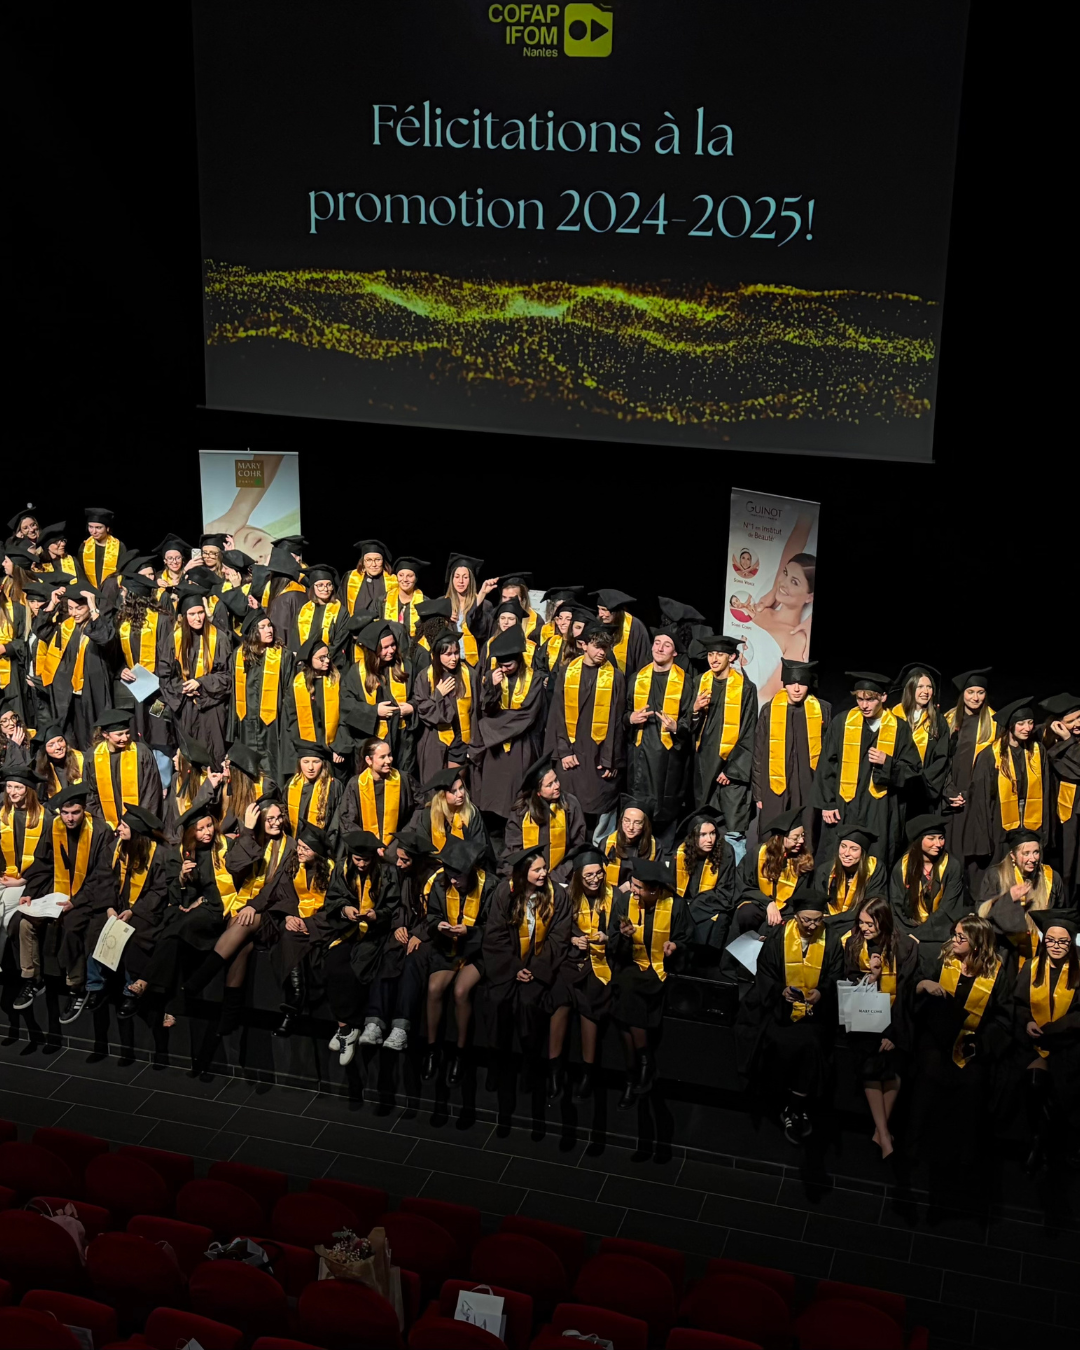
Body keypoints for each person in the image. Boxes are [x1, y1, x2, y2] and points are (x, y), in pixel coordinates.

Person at [735, 888, 843, 1144]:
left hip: (815, 1014)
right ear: (796, 917)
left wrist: (822, 992)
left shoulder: (832, 939)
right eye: (806, 920)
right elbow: (766, 972)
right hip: (780, 1010)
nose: (811, 926)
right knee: (777, 1040)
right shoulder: (778, 936)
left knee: (811, 1046)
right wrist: (779, 990)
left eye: (817, 920)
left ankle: (796, 1106)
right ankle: (782, 1103)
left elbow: (836, 975)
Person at [910, 914, 1011, 1181]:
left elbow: (1003, 1018)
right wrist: (924, 985)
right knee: (930, 1075)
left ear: (977, 944)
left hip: (971, 1045)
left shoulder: (997, 973)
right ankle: (921, 1152)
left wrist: (981, 1044)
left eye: (960, 937)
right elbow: (914, 987)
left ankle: (961, 1161)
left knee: (972, 1085)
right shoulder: (941, 958)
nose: (954, 940)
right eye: (955, 934)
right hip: (935, 1038)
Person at [178, 798, 290, 1032]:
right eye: (270, 818)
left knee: (239, 924)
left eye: (279, 817)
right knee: (241, 948)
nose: (276, 823)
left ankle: (197, 982)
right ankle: (229, 1017)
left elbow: (277, 888)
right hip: (246, 905)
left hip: (272, 910)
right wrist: (248, 831)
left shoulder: (290, 847)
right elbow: (235, 865)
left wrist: (253, 906)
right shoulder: (253, 839)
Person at [16, 783, 117, 1024]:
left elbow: (103, 875)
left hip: (88, 896)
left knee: (72, 928)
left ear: (84, 810)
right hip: (56, 892)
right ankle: (32, 980)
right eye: (65, 813)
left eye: (75, 813)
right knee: (25, 924)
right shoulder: (54, 826)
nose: (69, 818)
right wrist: (30, 892)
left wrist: (78, 900)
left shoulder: (101, 830)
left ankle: (76, 989)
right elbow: (42, 862)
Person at [606, 856, 693, 1106]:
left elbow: (687, 939)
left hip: (659, 970)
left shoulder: (675, 905)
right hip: (629, 965)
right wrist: (622, 937)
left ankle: (632, 1077)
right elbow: (613, 943)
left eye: (637, 887)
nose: (631, 890)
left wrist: (674, 946)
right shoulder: (624, 901)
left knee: (625, 1011)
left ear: (655, 890)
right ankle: (644, 1064)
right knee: (627, 990)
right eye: (632, 884)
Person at [482, 843, 571, 1086]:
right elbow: (495, 935)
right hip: (508, 965)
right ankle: (496, 1064)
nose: (544, 874)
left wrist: (534, 969)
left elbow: (558, 938)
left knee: (529, 1003)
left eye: (544, 868)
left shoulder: (558, 896)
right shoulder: (504, 892)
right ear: (523, 873)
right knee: (497, 1001)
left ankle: (529, 1065)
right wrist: (513, 968)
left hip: (539, 966)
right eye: (537, 870)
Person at [811, 671, 920, 868]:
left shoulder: (900, 728)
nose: (864, 705)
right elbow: (827, 764)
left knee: (876, 857)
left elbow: (913, 770)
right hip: (845, 805)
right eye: (860, 699)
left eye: (870, 700)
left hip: (880, 808)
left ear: (883, 698)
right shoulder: (842, 723)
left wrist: (887, 762)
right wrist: (828, 803)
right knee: (838, 855)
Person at [839, 896, 917, 1159]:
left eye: (869, 923)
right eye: (861, 922)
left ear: (882, 921)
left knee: (895, 1065)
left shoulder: (905, 947)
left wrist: (892, 1033)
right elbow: (850, 984)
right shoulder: (853, 944)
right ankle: (884, 1133)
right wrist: (871, 977)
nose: (864, 928)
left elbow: (906, 994)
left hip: (897, 1021)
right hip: (864, 1020)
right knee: (871, 1063)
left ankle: (879, 1132)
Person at [86, 806, 176, 1016]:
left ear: (136, 830)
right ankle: (95, 987)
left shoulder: (159, 855)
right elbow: (104, 878)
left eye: (124, 826)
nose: (118, 829)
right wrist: (109, 907)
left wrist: (133, 911)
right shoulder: (114, 848)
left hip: (145, 911)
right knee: (97, 930)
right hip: (114, 906)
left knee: (134, 938)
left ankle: (131, 990)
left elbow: (159, 890)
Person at [422, 836, 497, 1083]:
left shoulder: (490, 887)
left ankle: (461, 1053)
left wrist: (470, 932)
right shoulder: (441, 884)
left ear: (472, 871)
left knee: (461, 990)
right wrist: (439, 926)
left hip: (478, 952)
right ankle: (433, 1049)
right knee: (434, 988)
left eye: (459, 877)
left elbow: (496, 928)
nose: (454, 881)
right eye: (451, 876)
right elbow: (431, 916)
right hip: (447, 947)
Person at [546, 843, 616, 1101]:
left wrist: (607, 938)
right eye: (588, 875)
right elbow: (555, 929)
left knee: (590, 1005)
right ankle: (554, 1070)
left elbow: (620, 931)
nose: (595, 879)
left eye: (599, 873)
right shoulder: (565, 896)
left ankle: (588, 1072)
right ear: (577, 876)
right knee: (560, 1002)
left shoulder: (615, 895)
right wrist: (573, 940)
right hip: (569, 960)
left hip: (599, 963)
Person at [1010, 913, 1079, 1172]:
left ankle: (1047, 1146)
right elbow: (1018, 1004)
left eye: (1063, 942)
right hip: (1033, 1043)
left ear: (1071, 943)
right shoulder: (1031, 966)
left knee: (1063, 1084)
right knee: (1033, 1081)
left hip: (1068, 1044)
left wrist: (1057, 1029)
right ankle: (1037, 1141)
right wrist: (1027, 1021)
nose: (1056, 946)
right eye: (1051, 941)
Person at [543, 624, 625, 841]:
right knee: (569, 804)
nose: (601, 653)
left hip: (599, 753)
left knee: (599, 802)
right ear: (583, 645)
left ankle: (597, 851)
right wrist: (563, 751)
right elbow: (557, 714)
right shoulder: (567, 672)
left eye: (605, 648)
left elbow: (617, 721)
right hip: (572, 751)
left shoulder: (615, 677)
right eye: (597, 647)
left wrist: (611, 759)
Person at [322, 830, 398, 1062]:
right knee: (333, 963)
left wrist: (377, 915)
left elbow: (394, 907)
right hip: (348, 929)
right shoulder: (342, 868)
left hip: (376, 933)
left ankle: (352, 1027)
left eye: (366, 860)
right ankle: (346, 1028)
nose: (362, 864)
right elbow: (332, 899)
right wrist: (345, 909)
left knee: (358, 968)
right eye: (358, 859)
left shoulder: (388, 872)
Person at [363, 827, 437, 1053]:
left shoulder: (436, 879)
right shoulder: (404, 875)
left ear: (417, 860)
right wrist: (399, 926)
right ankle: (374, 1022)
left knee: (412, 961)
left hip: (432, 936)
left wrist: (420, 934)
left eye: (405, 860)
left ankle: (401, 1028)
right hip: (408, 930)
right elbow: (399, 906)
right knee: (389, 953)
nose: (399, 864)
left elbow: (440, 914)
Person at [689, 633, 758, 853]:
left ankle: (735, 880)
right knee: (704, 826)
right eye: (710, 654)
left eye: (720, 654)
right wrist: (695, 710)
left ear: (732, 657)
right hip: (704, 764)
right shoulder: (699, 682)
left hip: (732, 771)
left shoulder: (746, 688)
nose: (714, 659)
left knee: (732, 828)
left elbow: (749, 732)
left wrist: (731, 769)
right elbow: (688, 726)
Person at [626, 628, 694, 845]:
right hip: (638, 756)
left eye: (667, 644)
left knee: (665, 809)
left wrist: (677, 727)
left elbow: (690, 719)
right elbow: (624, 712)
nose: (660, 648)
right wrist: (630, 718)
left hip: (668, 759)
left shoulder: (685, 681)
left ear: (674, 653)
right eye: (657, 642)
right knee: (637, 810)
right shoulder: (637, 678)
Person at [472, 628, 545, 820]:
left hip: (521, 745)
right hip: (495, 748)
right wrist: (492, 687)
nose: (504, 669)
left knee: (515, 790)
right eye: (501, 665)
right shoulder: (492, 675)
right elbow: (485, 709)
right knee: (493, 790)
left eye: (509, 665)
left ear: (519, 660)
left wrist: (489, 726)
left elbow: (528, 715)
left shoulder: (535, 679)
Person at [969, 696, 1050, 868]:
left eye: (1030, 722)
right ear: (1011, 725)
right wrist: (985, 835)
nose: (1027, 728)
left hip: (1030, 817)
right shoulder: (990, 755)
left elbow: (1046, 790)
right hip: (1000, 818)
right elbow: (981, 798)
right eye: (1021, 723)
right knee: (1003, 864)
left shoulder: (1037, 750)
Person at [33, 580, 114, 750]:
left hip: (91, 692)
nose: (74, 613)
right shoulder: (66, 627)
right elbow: (41, 630)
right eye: (70, 608)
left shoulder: (99, 624)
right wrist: (53, 603)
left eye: (79, 608)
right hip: (67, 693)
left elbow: (104, 637)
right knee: (70, 736)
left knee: (93, 738)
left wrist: (92, 606)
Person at [111, 570, 175, 783]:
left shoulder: (163, 620)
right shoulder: (121, 620)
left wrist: (159, 680)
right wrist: (121, 669)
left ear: (131, 596)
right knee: (138, 731)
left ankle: (164, 783)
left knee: (160, 730)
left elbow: (170, 655)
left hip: (159, 693)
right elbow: (114, 655)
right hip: (133, 692)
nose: (121, 596)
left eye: (125, 592)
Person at [976, 829, 1068, 964]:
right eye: (1026, 853)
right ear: (1013, 855)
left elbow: (1060, 913)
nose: (1033, 859)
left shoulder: (1052, 878)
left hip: (1041, 951)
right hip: (1004, 951)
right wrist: (1009, 899)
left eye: (1036, 852)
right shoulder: (996, 875)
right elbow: (982, 915)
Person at [340, 618, 417, 778]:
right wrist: (374, 711)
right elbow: (347, 706)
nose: (391, 650)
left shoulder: (405, 666)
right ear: (373, 650)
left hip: (402, 739)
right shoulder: (355, 674)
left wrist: (412, 706)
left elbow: (419, 695)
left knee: (403, 782)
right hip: (370, 741)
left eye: (393, 645)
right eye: (385, 647)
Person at [229, 608, 292, 787]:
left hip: (273, 726)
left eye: (270, 625)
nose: (269, 630)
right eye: (263, 627)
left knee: (273, 770)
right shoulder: (239, 656)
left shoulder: (283, 656)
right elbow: (234, 695)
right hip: (246, 725)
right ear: (253, 632)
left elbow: (288, 692)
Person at [502, 753, 586, 884]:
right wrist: (529, 874)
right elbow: (513, 848)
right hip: (527, 876)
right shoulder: (522, 810)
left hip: (562, 877)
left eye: (556, 780)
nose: (557, 786)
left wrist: (557, 877)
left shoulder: (570, 804)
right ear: (538, 792)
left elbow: (577, 846)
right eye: (550, 784)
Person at [941, 668, 995, 869]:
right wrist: (949, 790)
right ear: (962, 694)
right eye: (970, 692)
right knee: (953, 847)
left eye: (980, 693)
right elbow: (941, 761)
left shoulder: (994, 723)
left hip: (980, 796)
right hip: (953, 793)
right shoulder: (948, 720)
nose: (976, 697)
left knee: (976, 847)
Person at [671, 805, 737, 964]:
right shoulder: (681, 853)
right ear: (693, 837)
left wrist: (692, 907)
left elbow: (725, 893)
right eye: (703, 835)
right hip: (685, 904)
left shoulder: (725, 852)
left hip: (713, 905)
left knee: (720, 920)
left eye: (713, 833)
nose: (709, 839)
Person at [733, 807, 815, 935]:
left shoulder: (803, 860)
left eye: (802, 836)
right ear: (779, 838)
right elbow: (743, 885)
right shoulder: (758, 854)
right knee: (747, 913)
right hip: (759, 904)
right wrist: (768, 903)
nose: (801, 841)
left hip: (788, 910)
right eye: (796, 838)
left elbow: (802, 896)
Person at [888, 813, 967, 942]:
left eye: (941, 838)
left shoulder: (952, 866)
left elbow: (948, 909)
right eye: (931, 838)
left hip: (940, 933)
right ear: (919, 841)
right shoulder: (902, 868)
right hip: (907, 931)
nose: (938, 844)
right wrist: (909, 935)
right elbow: (896, 908)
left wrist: (919, 934)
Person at [414, 631, 480, 785]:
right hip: (435, 740)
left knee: (457, 784)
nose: (454, 658)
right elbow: (423, 710)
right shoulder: (425, 677)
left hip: (461, 739)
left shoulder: (469, 674)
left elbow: (476, 709)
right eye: (448, 654)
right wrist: (438, 694)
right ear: (437, 655)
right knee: (437, 789)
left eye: (456, 653)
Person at [84, 708, 163, 830]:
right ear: (106, 735)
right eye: (119, 734)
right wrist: (102, 823)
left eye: (127, 733)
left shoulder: (141, 753)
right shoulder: (93, 756)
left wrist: (138, 822)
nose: (125, 738)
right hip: (106, 826)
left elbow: (151, 791)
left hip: (138, 826)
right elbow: (90, 793)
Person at [890, 663, 950, 817]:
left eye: (929, 687)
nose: (926, 691)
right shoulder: (892, 717)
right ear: (910, 689)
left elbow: (941, 758)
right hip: (896, 789)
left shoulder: (938, 720)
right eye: (920, 686)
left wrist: (921, 783)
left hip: (925, 791)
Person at [337, 737, 412, 846]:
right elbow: (347, 818)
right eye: (382, 757)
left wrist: (402, 839)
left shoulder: (404, 779)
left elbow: (420, 808)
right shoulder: (356, 783)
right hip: (366, 849)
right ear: (369, 760)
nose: (388, 760)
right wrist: (366, 843)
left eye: (389, 755)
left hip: (397, 847)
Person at [1040, 692, 1080, 896]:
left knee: (1072, 866)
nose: (1077, 724)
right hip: (1054, 812)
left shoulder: (1071, 742)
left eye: (1079, 717)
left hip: (1074, 811)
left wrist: (1068, 741)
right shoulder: (1045, 739)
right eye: (1070, 721)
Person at [282, 635, 341, 761]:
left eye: (328, 656)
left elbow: (345, 716)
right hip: (307, 749)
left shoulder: (337, 681)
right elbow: (291, 719)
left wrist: (340, 747)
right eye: (321, 658)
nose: (327, 661)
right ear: (310, 660)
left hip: (334, 749)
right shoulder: (297, 685)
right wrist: (305, 749)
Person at [813, 824, 886, 923]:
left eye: (854, 849)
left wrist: (832, 920)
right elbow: (819, 904)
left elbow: (871, 906)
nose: (846, 853)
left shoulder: (875, 869)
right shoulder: (825, 871)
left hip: (858, 922)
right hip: (828, 923)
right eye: (843, 846)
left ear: (863, 853)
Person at [411, 767, 487, 852]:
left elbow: (479, 847)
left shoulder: (470, 812)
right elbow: (423, 847)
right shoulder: (428, 814)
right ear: (442, 796)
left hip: (467, 863)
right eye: (454, 791)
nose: (460, 794)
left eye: (461, 788)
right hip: (435, 863)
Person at [444, 552, 497, 667]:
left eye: (465, 577)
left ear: (471, 580)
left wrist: (481, 595)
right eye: (457, 577)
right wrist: (443, 617)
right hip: (449, 665)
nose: (461, 581)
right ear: (452, 579)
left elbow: (483, 633)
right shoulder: (443, 604)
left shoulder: (485, 605)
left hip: (475, 666)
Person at [284, 744, 342, 839]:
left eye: (316, 762)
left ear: (323, 763)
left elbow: (336, 824)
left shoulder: (334, 786)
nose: (310, 767)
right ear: (299, 763)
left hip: (323, 846)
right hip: (294, 844)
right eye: (306, 762)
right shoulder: (291, 785)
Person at [599, 800, 659, 889]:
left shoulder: (655, 846)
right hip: (612, 894)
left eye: (637, 823)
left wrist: (631, 885)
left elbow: (657, 877)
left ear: (645, 824)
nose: (631, 827)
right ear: (621, 821)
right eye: (626, 821)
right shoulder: (606, 843)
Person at [591, 589, 650, 676]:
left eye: (604, 609)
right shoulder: (598, 623)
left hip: (627, 680)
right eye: (599, 609)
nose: (600, 614)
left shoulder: (635, 626)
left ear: (615, 611)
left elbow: (643, 659)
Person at [293, 565, 346, 654]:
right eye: (320, 585)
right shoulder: (303, 610)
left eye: (329, 585)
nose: (325, 589)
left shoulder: (341, 611)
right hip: (306, 661)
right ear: (313, 587)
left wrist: (322, 657)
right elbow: (295, 639)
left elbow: (340, 641)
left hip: (331, 660)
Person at [341, 538, 394, 615]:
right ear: (363, 562)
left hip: (382, 626)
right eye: (369, 560)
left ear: (383, 561)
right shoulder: (350, 578)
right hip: (355, 625)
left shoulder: (393, 581)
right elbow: (341, 605)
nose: (373, 564)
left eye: (378, 560)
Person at [32, 723, 84, 799]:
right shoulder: (42, 772)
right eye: (51, 745)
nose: (58, 747)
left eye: (60, 741)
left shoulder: (82, 759)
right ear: (44, 750)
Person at [80, 507, 125, 590]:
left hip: (111, 591)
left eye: (98, 527)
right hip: (89, 591)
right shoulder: (84, 546)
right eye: (90, 527)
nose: (93, 532)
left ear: (107, 528)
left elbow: (122, 572)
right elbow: (81, 572)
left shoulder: (119, 546)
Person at [386, 555, 428, 637]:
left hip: (416, 648)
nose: (405, 579)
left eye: (409, 576)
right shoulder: (383, 601)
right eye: (401, 575)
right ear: (396, 577)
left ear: (416, 579)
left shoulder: (425, 603)